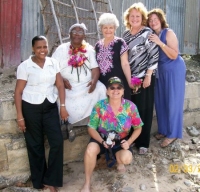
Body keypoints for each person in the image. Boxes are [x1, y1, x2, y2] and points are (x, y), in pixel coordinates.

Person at [14, 35, 69, 192]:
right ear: (33, 48)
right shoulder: (25, 66)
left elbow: (59, 85)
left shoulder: (53, 63)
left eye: (45, 46)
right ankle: (39, 182)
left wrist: (62, 106)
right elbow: (18, 92)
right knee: (35, 144)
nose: (42, 50)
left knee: (57, 142)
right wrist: (20, 116)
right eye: (39, 47)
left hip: (50, 106)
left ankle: (51, 180)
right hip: (30, 108)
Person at [81, 77, 143, 192]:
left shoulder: (130, 106)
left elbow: (138, 128)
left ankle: (119, 161)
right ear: (107, 91)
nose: (115, 90)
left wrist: (128, 143)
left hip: (121, 140)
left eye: (119, 87)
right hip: (102, 139)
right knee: (90, 149)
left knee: (126, 158)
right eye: (112, 88)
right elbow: (91, 128)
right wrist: (102, 141)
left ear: (123, 91)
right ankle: (87, 183)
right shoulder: (100, 106)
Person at [52, 23, 106, 136]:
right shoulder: (61, 49)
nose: (77, 34)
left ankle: (99, 122)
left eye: (80, 32)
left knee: (101, 88)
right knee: (55, 90)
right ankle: (64, 123)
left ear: (84, 36)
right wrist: (61, 79)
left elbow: (95, 69)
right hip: (66, 85)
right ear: (69, 34)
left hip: (85, 85)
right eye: (74, 32)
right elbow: (52, 68)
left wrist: (94, 81)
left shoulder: (90, 50)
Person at [123, 2, 159, 154]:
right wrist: (127, 78)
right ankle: (131, 140)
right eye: (132, 16)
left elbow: (154, 55)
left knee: (144, 110)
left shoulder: (147, 33)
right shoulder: (124, 35)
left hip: (145, 78)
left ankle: (143, 143)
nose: (135, 19)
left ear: (142, 17)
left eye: (138, 16)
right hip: (129, 79)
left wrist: (148, 75)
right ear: (128, 18)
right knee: (130, 110)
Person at [148, 8, 186, 147]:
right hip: (160, 72)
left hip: (174, 70)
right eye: (150, 20)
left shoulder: (168, 33)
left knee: (173, 102)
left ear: (161, 20)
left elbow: (174, 55)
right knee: (161, 101)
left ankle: (173, 133)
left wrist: (160, 42)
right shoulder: (151, 35)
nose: (153, 22)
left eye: (155, 19)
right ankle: (164, 130)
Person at [95, 13, 132, 100]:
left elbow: (125, 64)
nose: (108, 30)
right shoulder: (97, 45)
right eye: (105, 28)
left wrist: (129, 81)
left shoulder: (120, 43)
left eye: (111, 27)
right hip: (103, 85)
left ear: (115, 28)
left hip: (118, 83)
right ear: (101, 29)